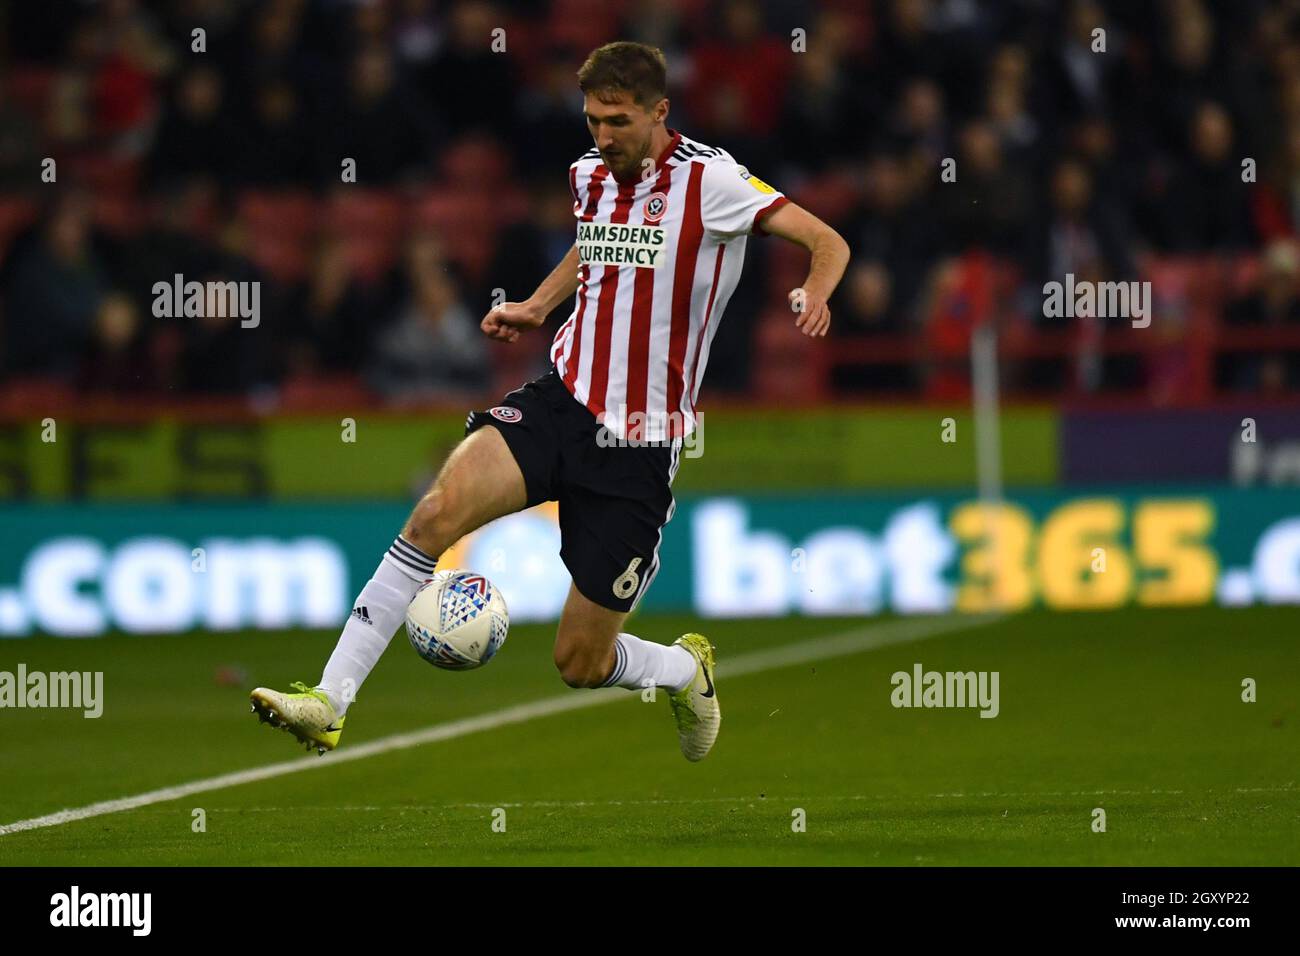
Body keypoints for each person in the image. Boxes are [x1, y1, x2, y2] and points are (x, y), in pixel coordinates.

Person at [250, 41, 850, 762]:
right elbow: (596, 246)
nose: (602, 135)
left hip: (639, 446)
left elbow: (827, 239)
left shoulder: (712, 182)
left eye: (618, 121)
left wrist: (815, 291)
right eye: (593, 119)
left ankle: (686, 671)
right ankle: (330, 702)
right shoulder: (589, 175)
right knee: (437, 511)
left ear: (660, 112)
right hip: (562, 402)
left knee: (581, 662)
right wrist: (538, 304)